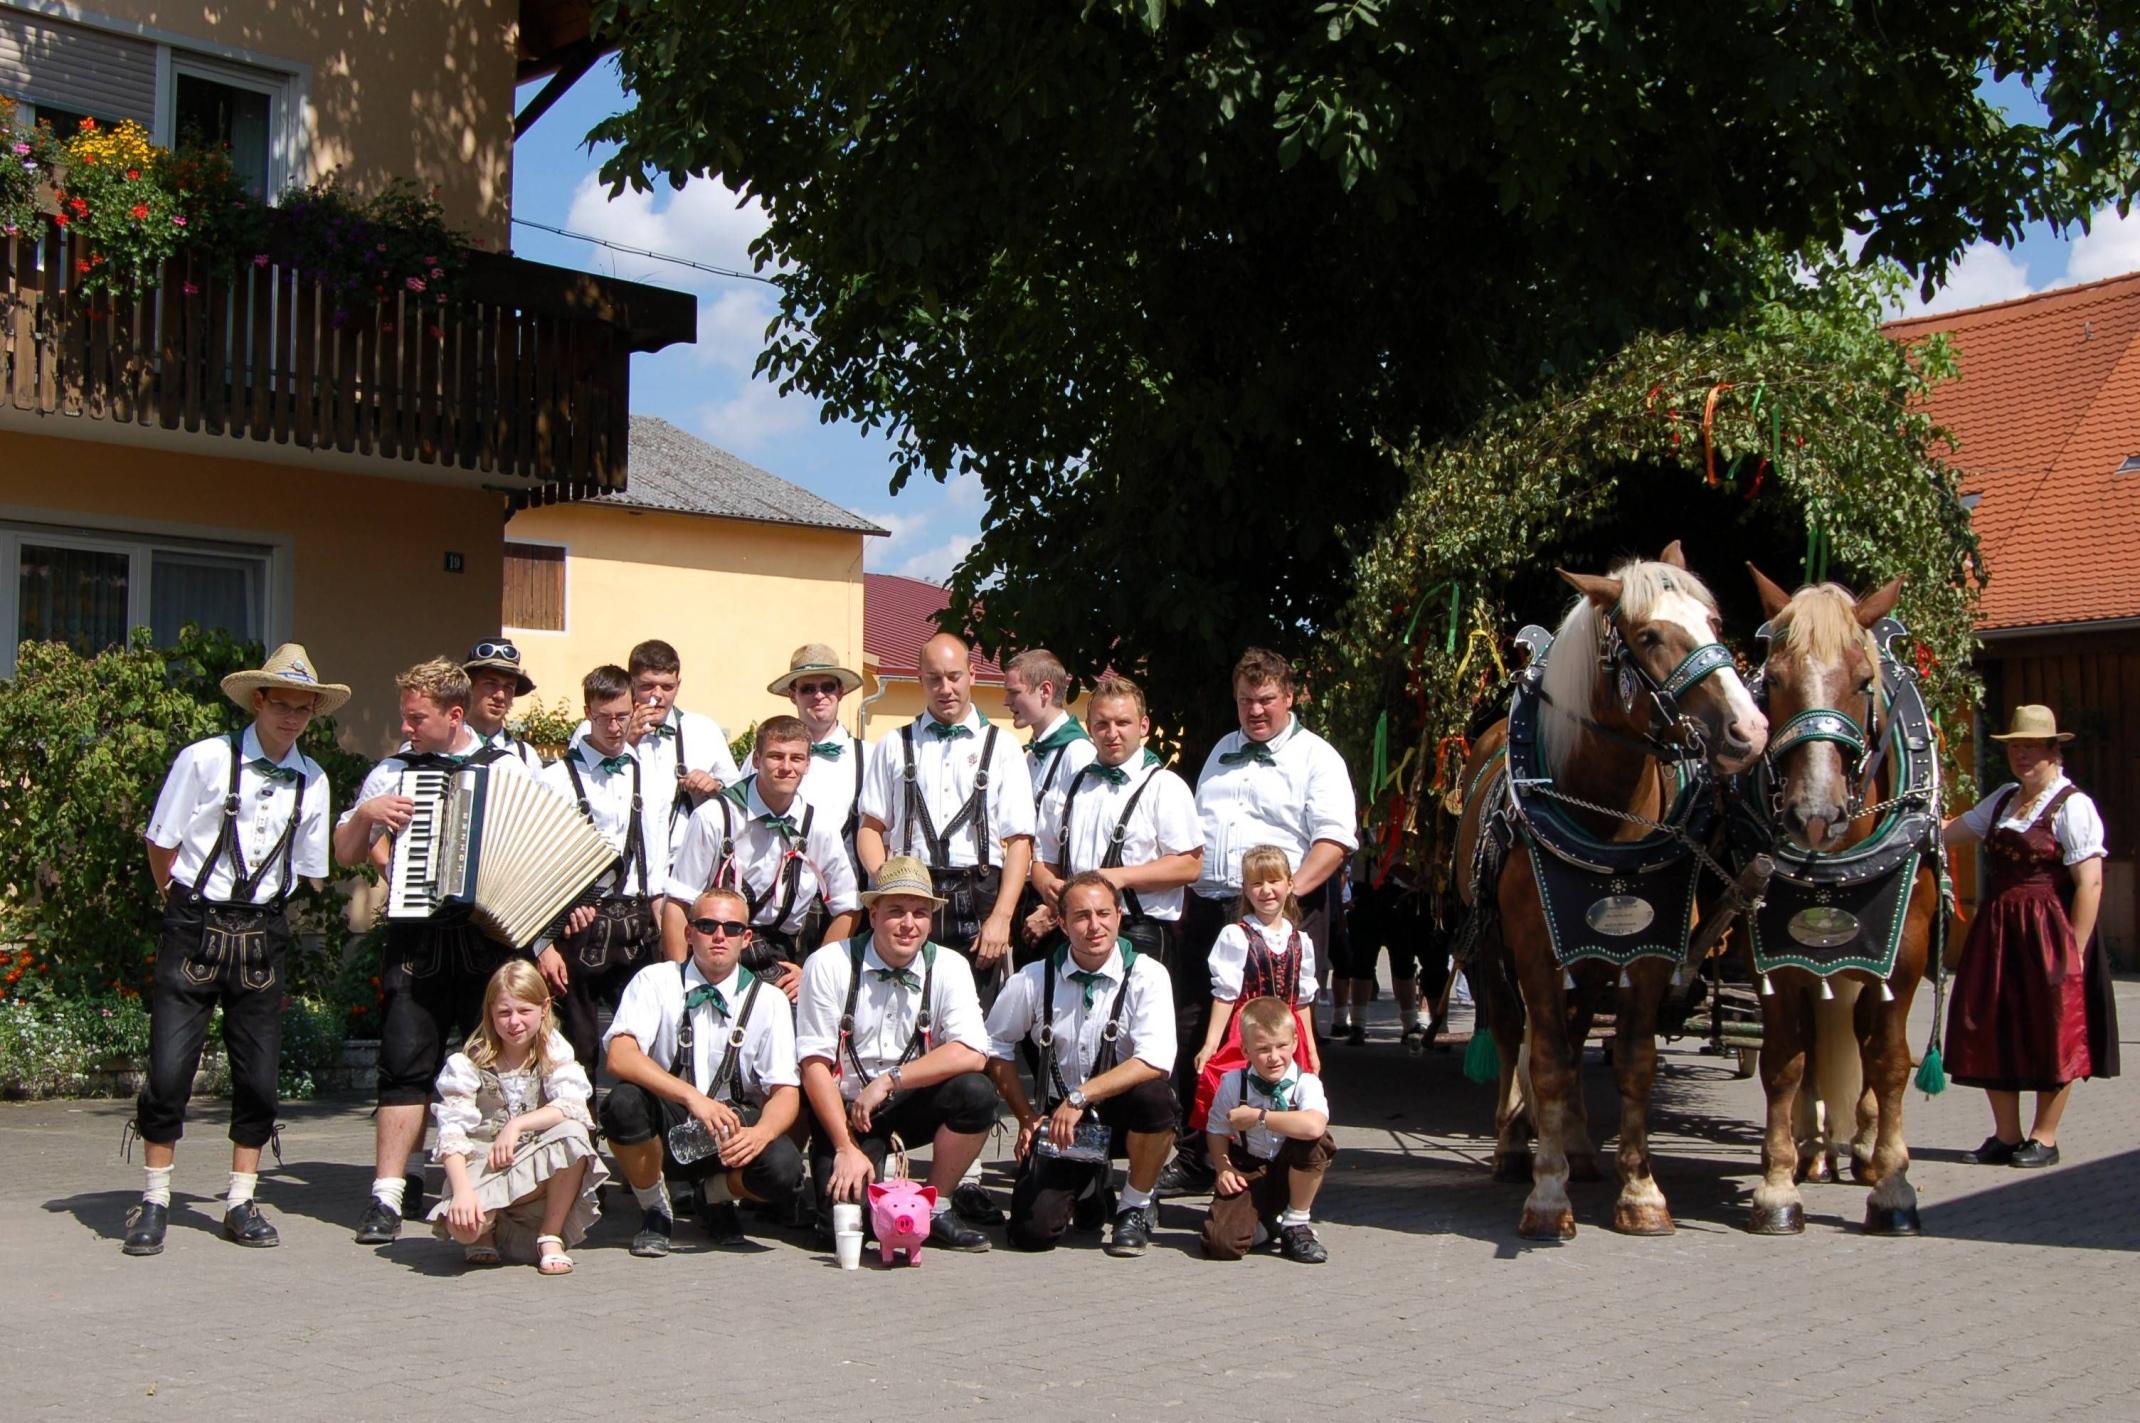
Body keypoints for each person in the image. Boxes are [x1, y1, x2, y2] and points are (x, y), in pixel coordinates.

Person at [123, 644, 343, 1257]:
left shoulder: (314, 779)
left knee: (260, 1080)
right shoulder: (204, 759)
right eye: (284, 705)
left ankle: (241, 1199)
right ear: (258, 701)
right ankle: (156, 1197)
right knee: (169, 1073)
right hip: (194, 921)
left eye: (305, 708)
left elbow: (305, 870)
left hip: (262, 933)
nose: (293, 717)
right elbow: (160, 843)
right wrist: (180, 904)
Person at [336, 658, 538, 1244]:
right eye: (405, 716)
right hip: (417, 937)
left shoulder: (513, 769)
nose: (406, 729)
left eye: (416, 718)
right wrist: (368, 819)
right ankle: (387, 1193)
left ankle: (486, 1185)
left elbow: (545, 844)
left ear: (454, 715)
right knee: (405, 1062)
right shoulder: (392, 773)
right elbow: (348, 851)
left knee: (494, 1064)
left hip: (488, 936)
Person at [1161, 647, 1356, 1195]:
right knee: (1197, 1030)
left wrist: (1286, 896)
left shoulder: (1318, 757)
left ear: (1289, 698)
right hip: (1212, 910)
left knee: (1279, 1034)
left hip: (1283, 912)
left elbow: (1334, 840)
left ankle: (1289, 1153)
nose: (1256, 710)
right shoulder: (1222, 749)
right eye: (1246, 700)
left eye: (1267, 699)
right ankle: (1202, 1152)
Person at [1942, 705, 2120, 1169]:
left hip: (2048, 932)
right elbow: (1950, 834)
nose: (2021, 755)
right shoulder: (2003, 799)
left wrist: (2074, 953)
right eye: (2015, 747)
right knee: (1989, 1024)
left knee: (2052, 1029)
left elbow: (2090, 884)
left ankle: (2044, 1136)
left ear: (2052, 751)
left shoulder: (2072, 805)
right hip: (1999, 928)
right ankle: (2006, 1135)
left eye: (2031, 747)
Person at [793, 857, 997, 1251]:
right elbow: (813, 1065)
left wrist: (891, 1081)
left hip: (906, 1101)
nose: (909, 924)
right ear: (872, 914)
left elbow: (973, 1051)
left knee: (977, 1092)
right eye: (896, 912)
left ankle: (935, 1206)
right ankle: (856, 1176)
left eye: (920, 913)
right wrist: (844, 1148)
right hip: (845, 1110)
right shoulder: (829, 963)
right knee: (848, 1220)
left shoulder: (950, 966)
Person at [601, 886, 809, 1256]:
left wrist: (761, 1134)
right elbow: (620, 1055)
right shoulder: (656, 980)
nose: (719, 936)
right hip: (669, 1124)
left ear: (746, 939)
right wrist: (692, 1098)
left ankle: (712, 1197)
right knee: (622, 1104)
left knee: (784, 1167)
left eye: (731, 928)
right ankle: (655, 1208)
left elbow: (785, 1090)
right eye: (707, 925)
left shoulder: (770, 999)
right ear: (688, 932)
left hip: (730, 1129)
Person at [984, 873, 1178, 1256]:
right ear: (1061, 923)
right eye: (1082, 917)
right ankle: (1090, 1182)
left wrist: (1079, 1098)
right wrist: (1026, 1118)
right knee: (1030, 1234)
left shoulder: (1147, 974)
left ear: (1119, 916)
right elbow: (993, 1046)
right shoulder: (1034, 978)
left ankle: (1134, 1205)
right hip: (1062, 1124)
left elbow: (1155, 1061)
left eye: (1104, 913)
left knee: (1157, 1099)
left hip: (1119, 1111)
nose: (1095, 926)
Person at [856, 632, 1035, 984]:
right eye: (934, 678)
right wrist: (885, 883)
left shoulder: (1003, 748)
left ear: (972, 674)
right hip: (910, 890)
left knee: (975, 1016)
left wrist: (1001, 917)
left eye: (953, 677)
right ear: (920, 679)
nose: (945, 688)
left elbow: (1020, 842)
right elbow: (870, 828)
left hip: (979, 894)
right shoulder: (894, 744)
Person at [428, 961, 606, 1274]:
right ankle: (485, 1229)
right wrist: (463, 1193)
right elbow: (451, 1133)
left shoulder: (553, 1051)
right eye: (504, 1013)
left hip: (530, 1161)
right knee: (465, 1228)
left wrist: (517, 1124)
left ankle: (549, 1235)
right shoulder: (467, 1062)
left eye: (524, 1011)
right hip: (486, 1166)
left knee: (575, 1132)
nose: (514, 1023)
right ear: (490, 1013)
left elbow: (572, 1102)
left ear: (544, 1007)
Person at [664, 716, 862, 995]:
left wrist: (813, 971)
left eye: (796, 758)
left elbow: (848, 906)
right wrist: (681, 984)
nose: (786, 767)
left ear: (808, 764)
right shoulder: (714, 817)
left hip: (781, 963)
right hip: (714, 954)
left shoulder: (819, 826)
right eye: (775, 756)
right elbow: (677, 903)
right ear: (756, 759)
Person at [537, 665, 670, 1073]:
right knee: (576, 1047)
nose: (614, 727)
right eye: (602, 717)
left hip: (637, 922)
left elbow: (658, 862)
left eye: (622, 716)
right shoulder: (555, 778)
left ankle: (642, 1134)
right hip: (578, 924)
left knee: (646, 1041)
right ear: (587, 713)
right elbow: (537, 865)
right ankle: (577, 1132)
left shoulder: (655, 776)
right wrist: (544, 944)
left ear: (634, 710)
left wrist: (665, 933)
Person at [1026, 673, 1202, 968]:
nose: (1112, 733)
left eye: (1122, 723)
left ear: (1143, 726)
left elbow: (1190, 864)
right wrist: (1047, 886)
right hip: (1073, 931)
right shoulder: (1065, 786)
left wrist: (1121, 877)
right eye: (1102, 724)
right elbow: (1043, 857)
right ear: (1089, 728)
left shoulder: (1165, 786)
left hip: (1138, 931)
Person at [1190, 845, 1323, 1134]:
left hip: (1288, 1030)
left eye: (1274, 881)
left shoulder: (1301, 941)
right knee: (1229, 1086)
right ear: (1246, 891)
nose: (1266, 890)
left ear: (1289, 884)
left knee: (1291, 1095)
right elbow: (1225, 994)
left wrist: (1311, 1048)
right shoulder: (1236, 936)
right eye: (1257, 883)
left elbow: (1301, 1001)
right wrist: (1211, 1044)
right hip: (1248, 1028)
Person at [1200, 996, 1335, 1263]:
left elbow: (1314, 1126)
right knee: (1221, 1244)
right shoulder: (1233, 1083)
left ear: (1295, 1043)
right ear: (1245, 1051)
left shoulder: (1305, 1083)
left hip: (1290, 1167)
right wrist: (1223, 1168)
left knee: (1316, 1140)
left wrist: (1259, 1116)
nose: (1274, 1057)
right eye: (1262, 1049)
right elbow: (1215, 1130)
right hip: (1250, 1166)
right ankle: (1270, 1224)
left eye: (1282, 1046)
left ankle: (1296, 1223)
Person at [612, 639, 742, 853]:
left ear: (678, 685)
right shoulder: (603, 730)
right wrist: (625, 743)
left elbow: (738, 799)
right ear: (631, 684)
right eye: (647, 686)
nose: (657, 696)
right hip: (626, 863)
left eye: (667, 687)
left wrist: (715, 786)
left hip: (685, 863)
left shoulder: (703, 729)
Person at [765, 643, 867, 879]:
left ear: (840, 692)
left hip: (849, 894)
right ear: (793, 695)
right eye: (808, 688)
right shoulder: (763, 757)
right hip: (779, 896)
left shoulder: (870, 757)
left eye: (828, 687)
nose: (819, 695)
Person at [1005, 648, 1097, 804]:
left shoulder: (1078, 754)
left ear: (1045, 691)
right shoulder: (1035, 753)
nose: (1006, 701)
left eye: (1014, 692)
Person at [461, 637, 543, 771]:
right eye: (490, 684)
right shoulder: (444, 744)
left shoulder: (526, 757)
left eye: (508, 687)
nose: (500, 696)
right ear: (469, 687)